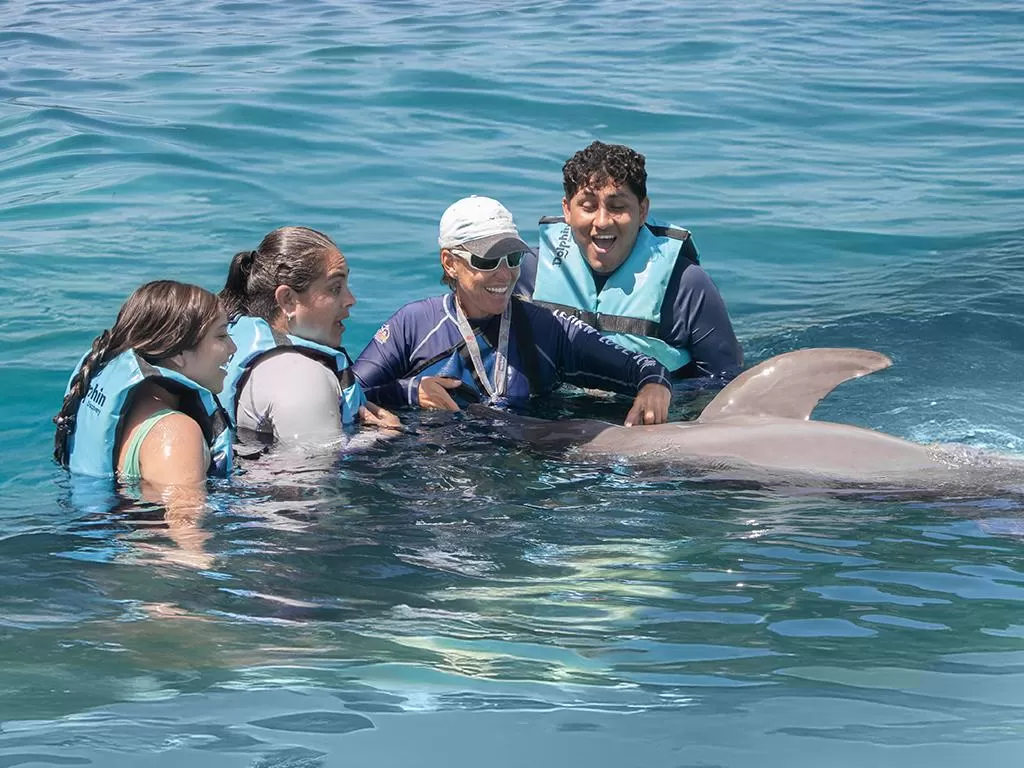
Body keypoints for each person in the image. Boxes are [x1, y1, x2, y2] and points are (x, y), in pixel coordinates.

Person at [353, 196, 672, 426]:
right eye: (487, 261)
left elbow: (644, 368)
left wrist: (654, 386)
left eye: (513, 258)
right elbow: (343, 394)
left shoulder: (547, 329)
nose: (505, 275)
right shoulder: (414, 325)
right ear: (450, 263)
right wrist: (409, 392)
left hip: (519, 480)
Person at [516, 140, 743, 383]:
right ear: (567, 210)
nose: (602, 221)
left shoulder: (687, 284)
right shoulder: (529, 271)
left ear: (642, 211)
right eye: (588, 206)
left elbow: (724, 380)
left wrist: (664, 393)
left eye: (617, 207)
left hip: (654, 413)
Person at [219, 226, 400, 448]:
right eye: (335, 288)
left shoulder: (230, 341)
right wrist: (385, 436)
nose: (350, 299)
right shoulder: (301, 376)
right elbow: (307, 476)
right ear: (287, 300)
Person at [53, 280, 236, 484]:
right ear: (178, 352)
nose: (233, 347)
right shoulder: (176, 435)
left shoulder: (132, 407)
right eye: (221, 336)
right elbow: (184, 516)